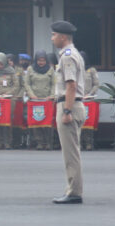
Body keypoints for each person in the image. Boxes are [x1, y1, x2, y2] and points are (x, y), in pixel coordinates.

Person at [50, 20, 85, 204]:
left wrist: (66, 110)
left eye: (54, 35)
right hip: (72, 104)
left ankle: (74, 192)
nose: (52, 38)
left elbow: (71, 86)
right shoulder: (70, 54)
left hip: (69, 104)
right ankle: (72, 189)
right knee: (71, 152)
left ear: (63, 37)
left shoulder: (67, 56)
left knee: (70, 154)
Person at [0, 53, 22, 150]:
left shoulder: (11, 71)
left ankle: (7, 142)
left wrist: (7, 94)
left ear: (5, 62)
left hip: (8, 99)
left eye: (1, 64)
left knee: (6, 120)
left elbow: (16, 85)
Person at [24, 50, 56, 150]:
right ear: (35, 60)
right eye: (39, 60)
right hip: (35, 100)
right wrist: (32, 95)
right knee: (36, 120)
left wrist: (51, 96)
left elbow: (54, 84)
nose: (41, 62)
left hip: (47, 100)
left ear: (46, 60)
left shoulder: (50, 69)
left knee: (47, 122)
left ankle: (48, 142)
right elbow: (27, 83)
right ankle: (40, 142)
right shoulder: (30, 69)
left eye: (43, 60)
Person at [80, 56, 100, 151]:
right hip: (78, 100)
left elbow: (96, 84)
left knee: (88, 123)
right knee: (78, 123)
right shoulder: (75, 69)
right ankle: (79, 143)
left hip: (89, 100)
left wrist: (90, 94)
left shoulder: (92, 70)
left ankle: (89, 143)